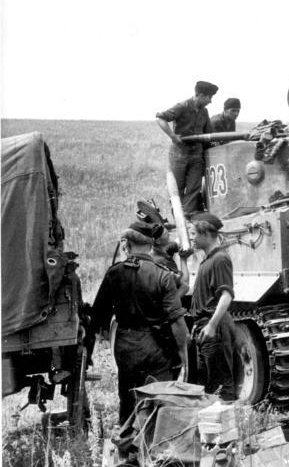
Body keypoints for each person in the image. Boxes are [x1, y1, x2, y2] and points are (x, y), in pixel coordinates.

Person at [91, 222, 189, 424]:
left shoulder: (115, 272)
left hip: (126, 345)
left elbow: (99, 312)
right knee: (160, 397)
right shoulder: (162, 274)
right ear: (151, 244)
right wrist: (182, 350)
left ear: (126, 244)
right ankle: (157, 445)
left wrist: (103, 334)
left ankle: (128, 446)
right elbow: (176, 320)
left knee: (128, 398)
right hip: (157, 346)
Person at [188, 212, 237, 401]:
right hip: (205, 326)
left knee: (222, 383)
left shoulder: (220, 259)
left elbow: (226, 295)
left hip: (213, 327)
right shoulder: (208, 260)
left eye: (194, 234)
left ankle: (224, 423)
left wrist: (212, 325)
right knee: (210, 382)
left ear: (206, 234)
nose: (191, 238)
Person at [156, 81, 218, 214]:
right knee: (176, 190)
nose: (210, 101)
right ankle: (179, 220)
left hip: (196, 155)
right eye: (209, 97)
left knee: (194, 190)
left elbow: (210, 133)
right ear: (201, 95)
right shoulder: (182, 107)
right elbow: (160, 119)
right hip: (179, 155)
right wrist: (173, 136)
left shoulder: (204, 112)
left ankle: (189, 219)